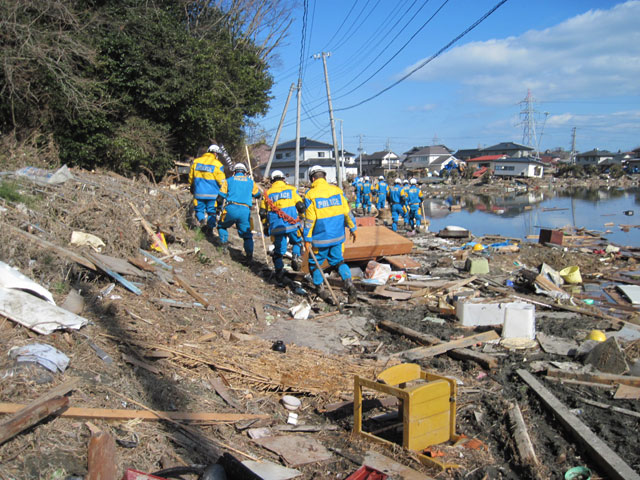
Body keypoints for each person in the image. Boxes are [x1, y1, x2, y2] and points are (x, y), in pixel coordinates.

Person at [303, 165, 358, 304]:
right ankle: (349, 284)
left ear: (313, 178)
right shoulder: (337, 191)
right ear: (325, 177)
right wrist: (353, 228)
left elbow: (310, 219)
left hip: (320, 239)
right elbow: (347, 212)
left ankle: (320, 289)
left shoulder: (310, 195)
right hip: (338, 236)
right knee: (338, 261)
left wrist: (307, 238)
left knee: (314, 264)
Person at [260, 170, 305, 282]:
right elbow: (300, 206)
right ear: (283, 179)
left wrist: (265, 226)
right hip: (292, 223)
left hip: (276, 226)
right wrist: (301, 217)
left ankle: (279, 272)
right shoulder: (292, 189)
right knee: (297, 242)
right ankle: (295, 256)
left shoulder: (268, 193)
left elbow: (262, 212)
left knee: (279, 250)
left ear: (272, 181)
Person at [217, 163, 261, 261]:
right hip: (245, 210)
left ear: (234, 172)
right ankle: (249, 256)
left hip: (231, 208)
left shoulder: (228, 181)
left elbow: (220, 198)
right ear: (245, 173)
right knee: (247, 235)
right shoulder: (250, 182)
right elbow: (258, 195)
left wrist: (217, 209)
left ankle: (224, 245)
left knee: (222, 226)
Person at [188, 144, 228, 234]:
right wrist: (224, 192)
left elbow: (191, 176)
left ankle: (202, 222)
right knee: (212, 212)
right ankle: (210, 229)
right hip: (213, 195)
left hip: (199, 193)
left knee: (199, 210)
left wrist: (191, 185)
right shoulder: (217, 164)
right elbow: (221, 181)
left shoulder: (196, 162)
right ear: (215, 153)